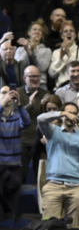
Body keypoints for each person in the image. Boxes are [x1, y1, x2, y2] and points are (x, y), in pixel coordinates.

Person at [37, 102, 79, 228]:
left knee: (74, 229)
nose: (71, 116)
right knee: (48, 228)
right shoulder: (52, 131)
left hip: (77, 187)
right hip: (54, 185)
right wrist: (63, 113)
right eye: (68, 113)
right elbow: (40, 118)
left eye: (73, 113)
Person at [0, 85, 29, 219]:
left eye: (10, 93)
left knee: (13, 205)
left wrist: (20, 104)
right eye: (4, 93)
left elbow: (27, 122)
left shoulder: (17, 117)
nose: (8, 96)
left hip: (14, 166)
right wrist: (2, 105)